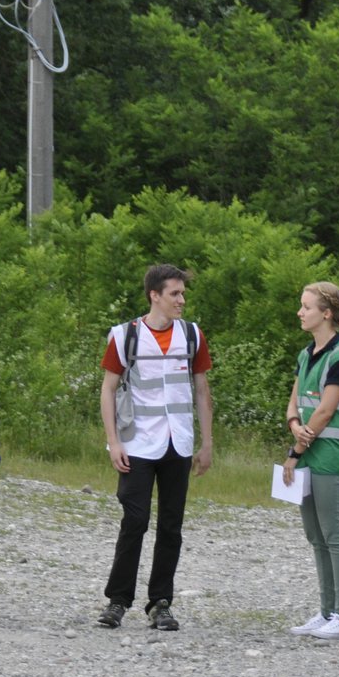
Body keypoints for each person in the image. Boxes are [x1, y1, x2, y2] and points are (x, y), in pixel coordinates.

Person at [95, 264, 214, 631]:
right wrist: (113, 442)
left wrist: (207, 443)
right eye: (175, 293)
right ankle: (118, 600)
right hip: (137, 445)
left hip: (177, 443)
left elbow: (202, 390)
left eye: (183, 293)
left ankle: (160, 602)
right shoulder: (124, 336)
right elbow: (108, 389)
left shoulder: (192, 335)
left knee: (171, 526)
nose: (182, 300)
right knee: (135, 520)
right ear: (155, 296)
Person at [282, 282, 339, 641]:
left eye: (306, 307)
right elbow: (295, 402)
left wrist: (295, 450)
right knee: (316, 537)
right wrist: (294, 426)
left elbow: (327, 410)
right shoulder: (307, 354)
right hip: (308, 455)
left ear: (326, 313)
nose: (300, 313)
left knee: (335, 535)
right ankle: (327, 610)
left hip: (330, 457)